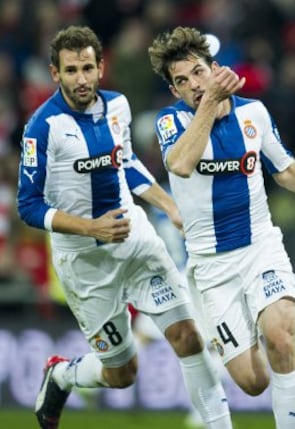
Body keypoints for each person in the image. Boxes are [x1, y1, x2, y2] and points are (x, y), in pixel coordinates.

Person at [16, 25, 233, 429]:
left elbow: (127, 163)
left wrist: (170, 207)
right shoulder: (41, 128)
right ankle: (62, 374)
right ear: (54, 74)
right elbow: (28, 206)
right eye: (70, 70)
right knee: (122, 372)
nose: (80, 79)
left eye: (87, 68)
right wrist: (88, 227)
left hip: (136, 242)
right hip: (85, 263)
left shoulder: (118, 105)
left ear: (101, 67)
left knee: (188, 336)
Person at [148, 26, 295, 429]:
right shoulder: (171, 122)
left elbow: (284, 170)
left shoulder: (254, 113)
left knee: (281, 337)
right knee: (253, 382)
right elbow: (180, 164)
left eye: (198, 72)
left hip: (260, 245)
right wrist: (210, 101)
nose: (193, 84)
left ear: (215, 68)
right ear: (175, 91)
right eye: (182, 81)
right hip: (212, 266)